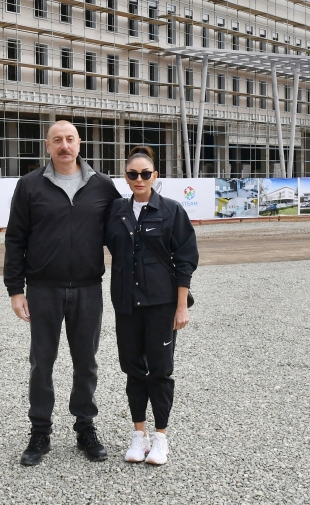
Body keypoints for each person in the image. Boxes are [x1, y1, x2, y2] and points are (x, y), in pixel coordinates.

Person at [4, 120, 121, 466]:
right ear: (48, 146)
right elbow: (15, 239)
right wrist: (15, 289)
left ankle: (85, 428)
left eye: (70, 139)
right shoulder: (29, 186)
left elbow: (121, 235)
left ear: (79, 144)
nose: (64, 145)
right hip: (44, 290)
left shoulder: (102, 185)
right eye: (57, 140)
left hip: (88, 288)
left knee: (86, 363)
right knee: (41, 364)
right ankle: (40, 432)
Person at [104, 145, 199, 465]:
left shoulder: (171, 210)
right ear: (125, 177)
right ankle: (138, 435)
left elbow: (185, 260)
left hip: (161, 304)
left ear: (155, 176)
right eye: (133, 174)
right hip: (126, 304)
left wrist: (181, 306)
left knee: (160, 370)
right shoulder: (116, 211)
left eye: (145, 173)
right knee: (133, 370)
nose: (139, 179)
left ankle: (160, 438)